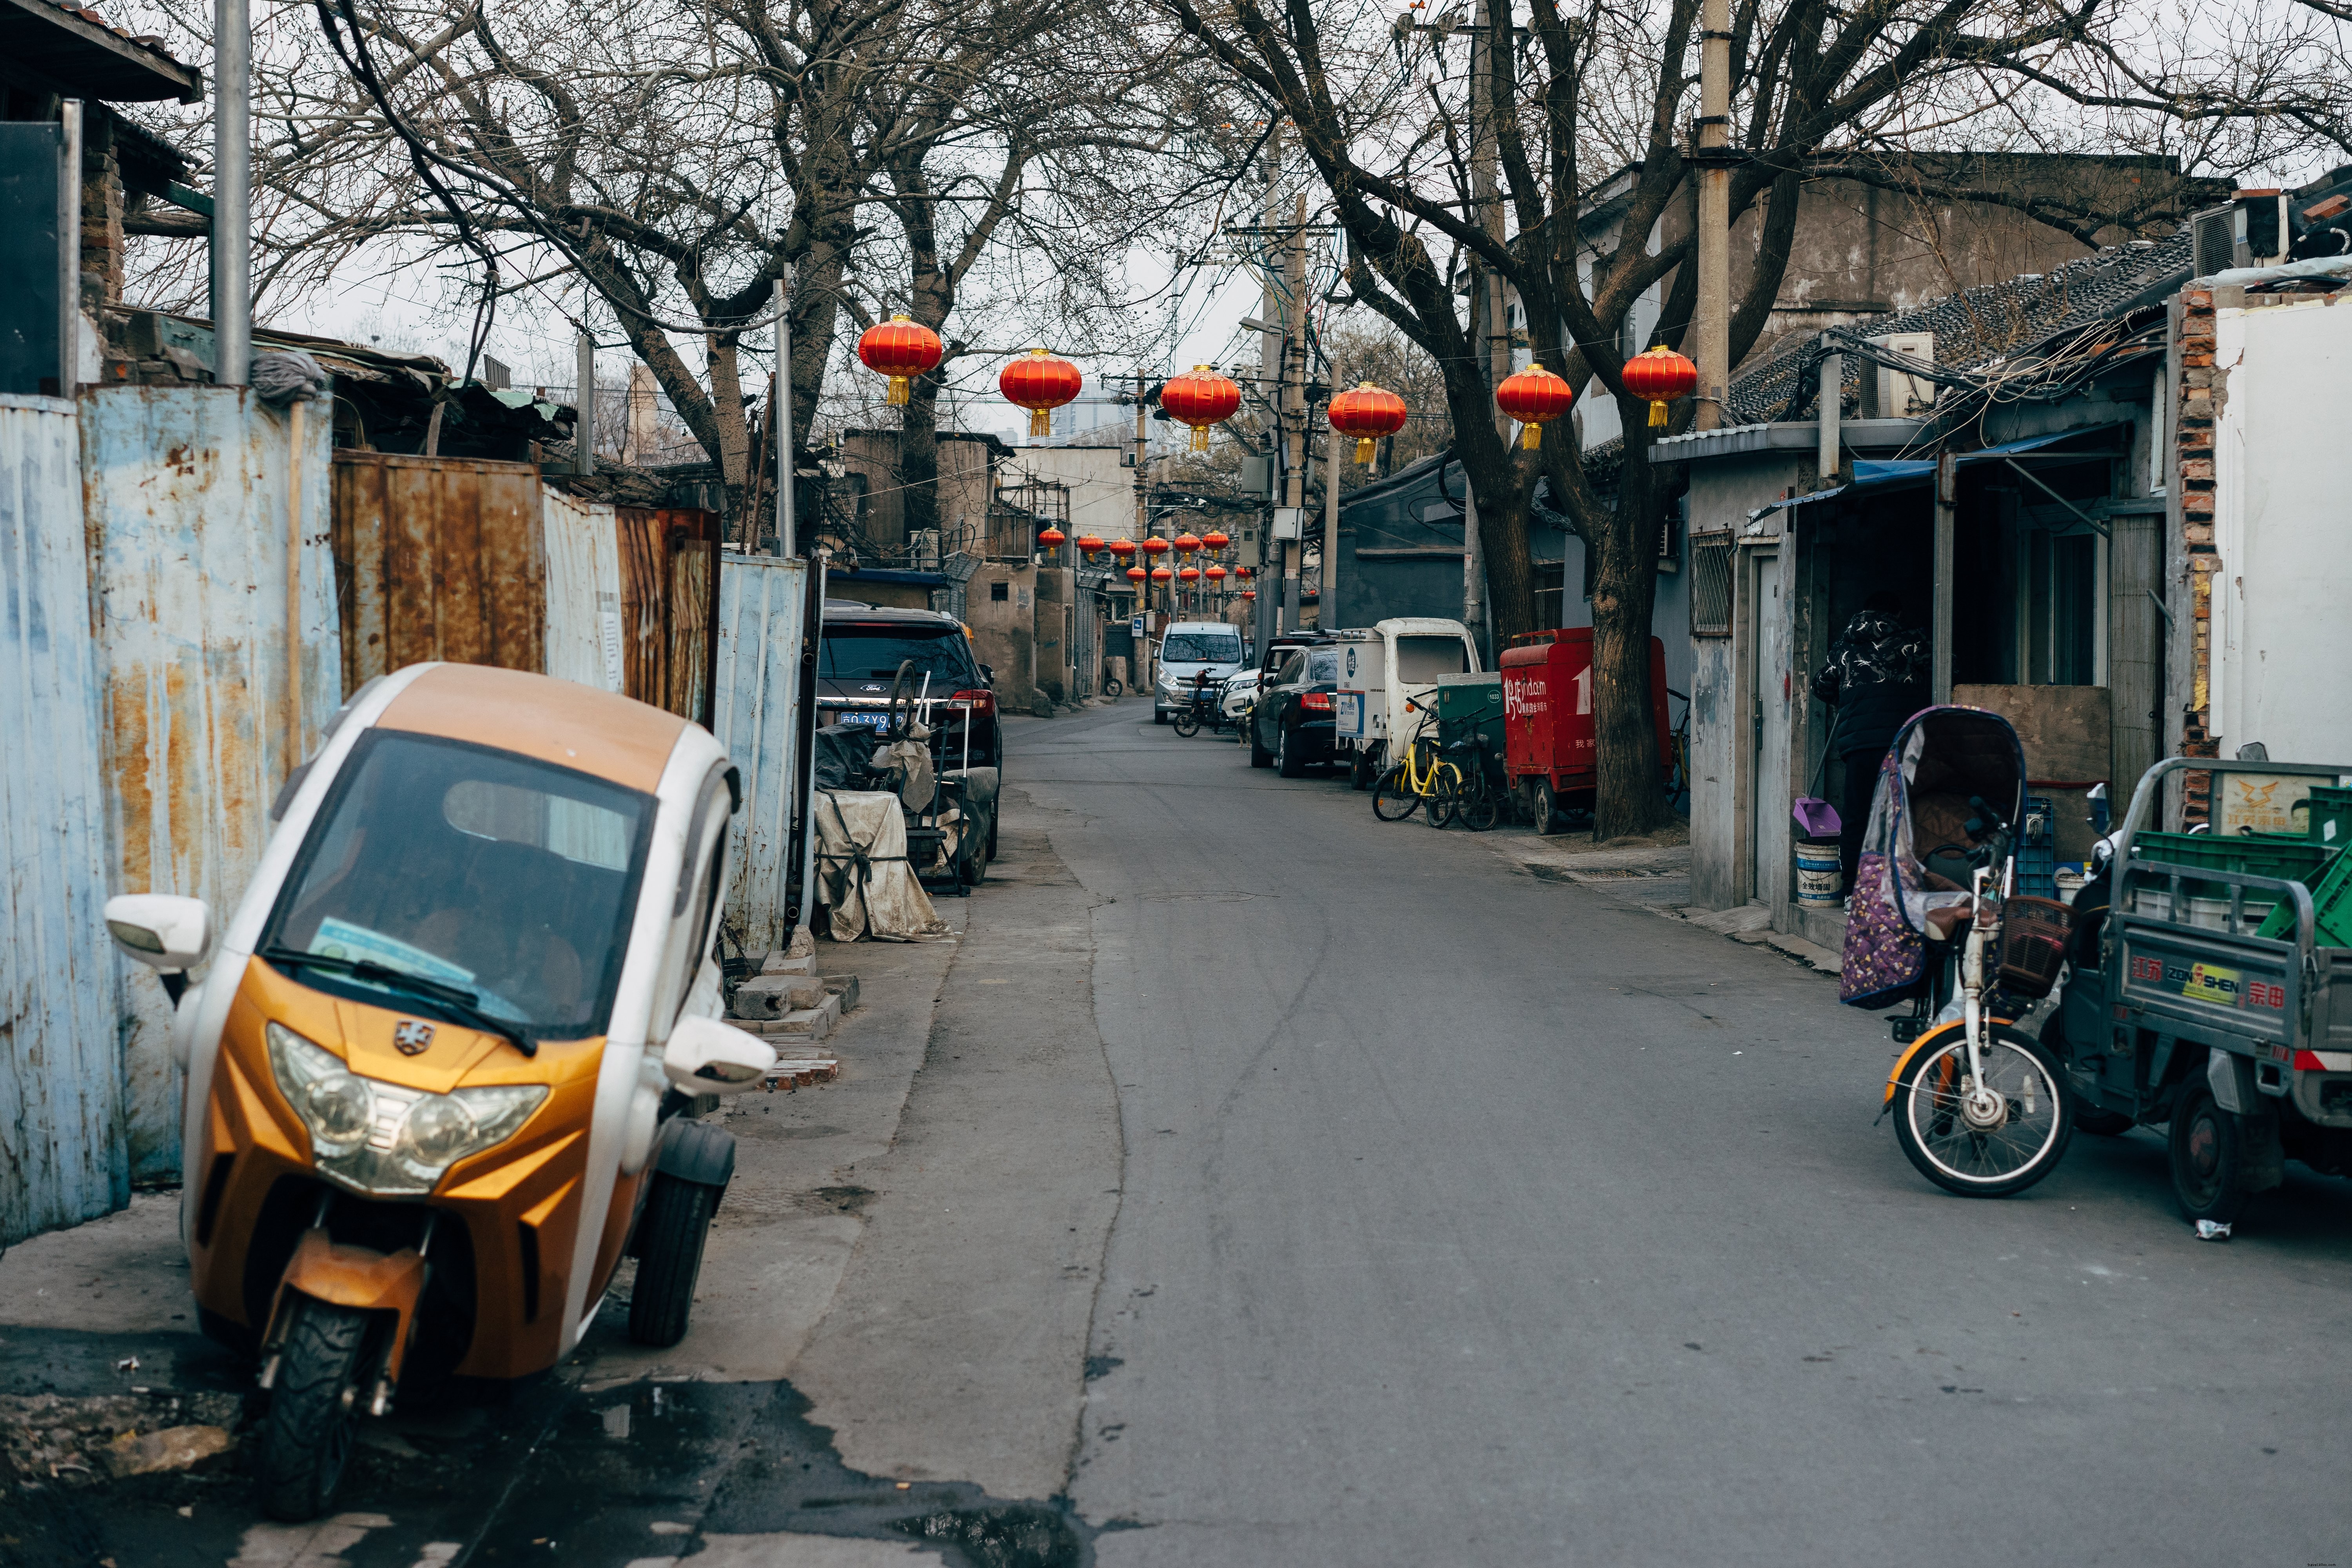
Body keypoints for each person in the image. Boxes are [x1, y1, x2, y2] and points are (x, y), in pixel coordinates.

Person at [1811, 591, 1931, 895]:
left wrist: (1848, 700)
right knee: (1904, 814)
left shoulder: (1844, 647)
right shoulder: (1911, 642)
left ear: (1863, 614)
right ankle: (1902, 890)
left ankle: (1853, 891)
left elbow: (1821, 685)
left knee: (1857, 816)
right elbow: (1948, 671)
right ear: (1898, 614)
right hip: (1902, 743)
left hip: (1860, 744)